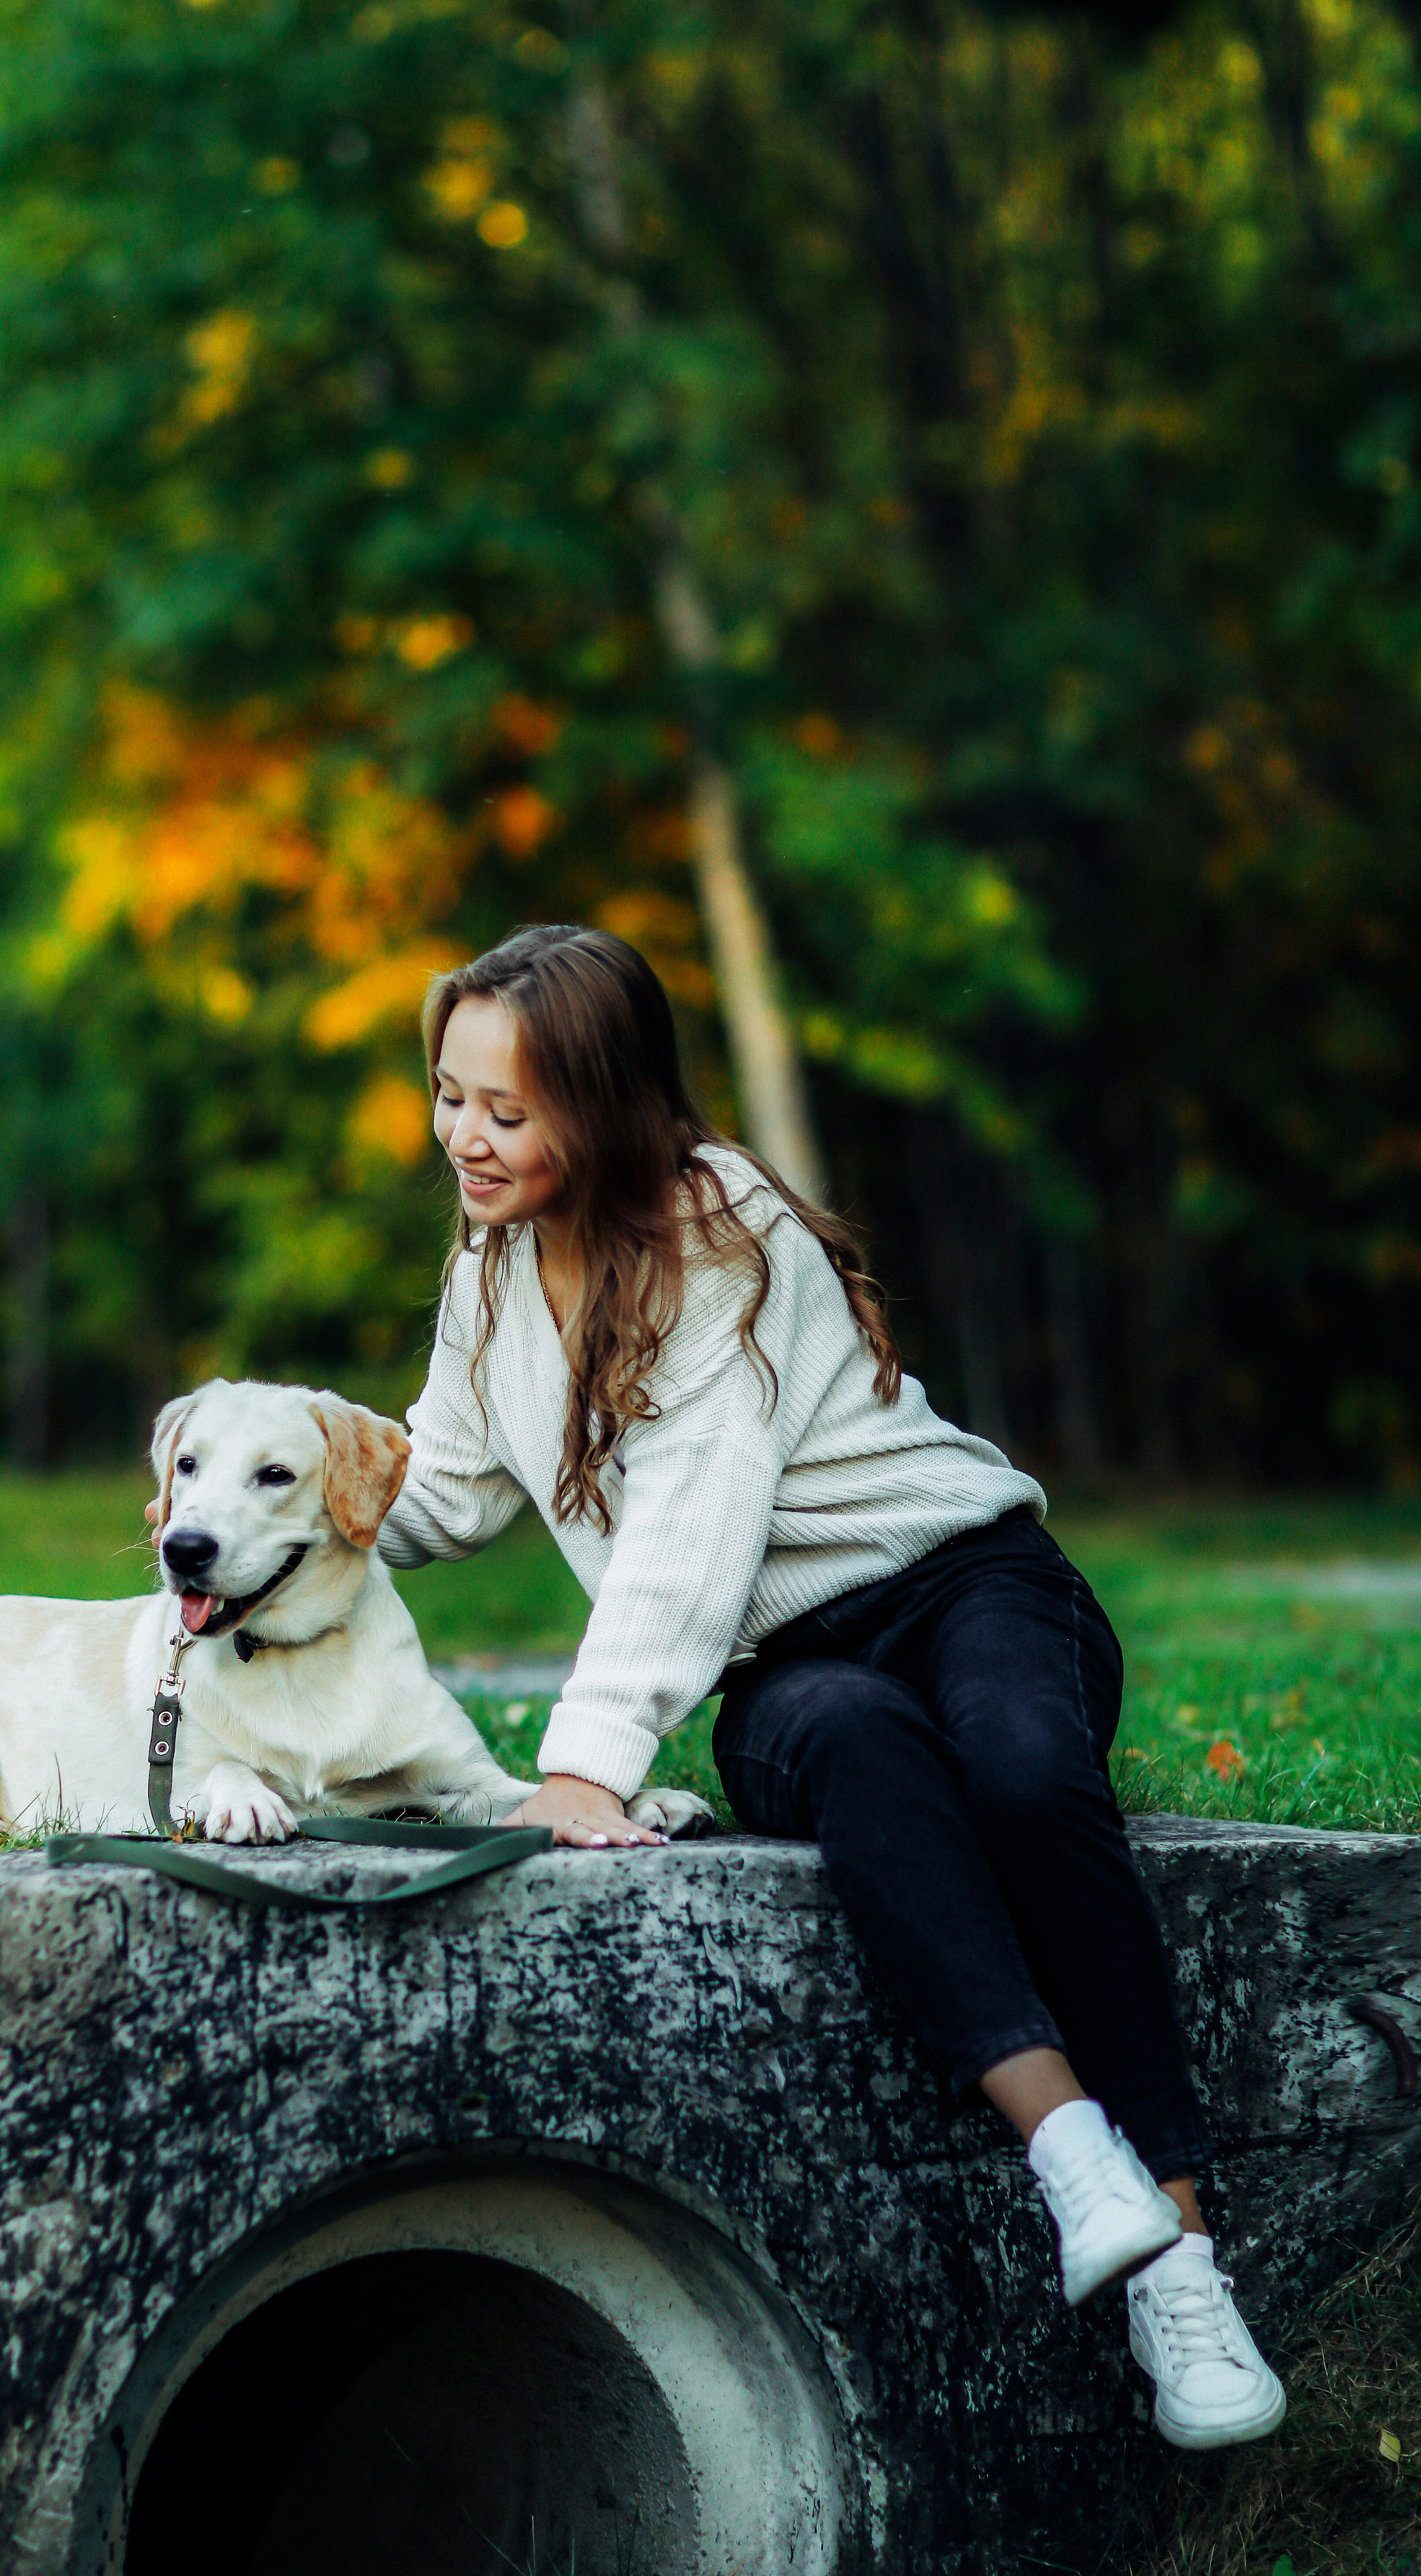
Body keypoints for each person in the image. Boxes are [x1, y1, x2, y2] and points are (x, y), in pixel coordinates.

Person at [374, 920, 1285, 2454]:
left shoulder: (717, 1232)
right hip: (792, 1672)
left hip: (965, 1583)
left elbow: (689, 1521)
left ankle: (1181, 2266)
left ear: (602, 1106)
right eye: (450, 1097)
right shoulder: (490, 1271)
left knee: (1019, 1772)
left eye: (506, 1111)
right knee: (862, 1750)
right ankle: (1074, 2156)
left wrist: (586, 1760)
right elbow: (446, 1488)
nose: (464, 1136)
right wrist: (268, 1517)